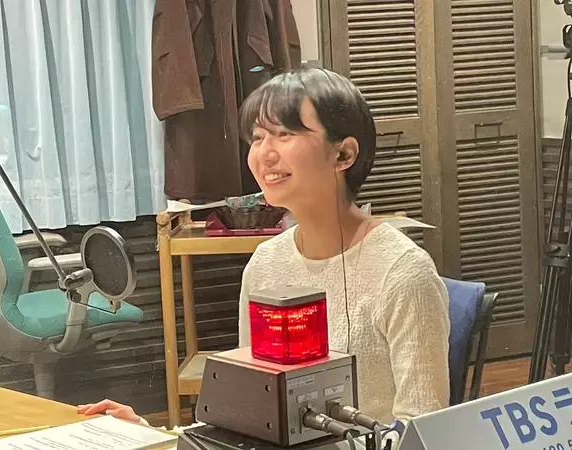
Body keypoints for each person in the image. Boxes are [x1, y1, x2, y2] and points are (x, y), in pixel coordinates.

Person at [78, 68, 450, 432]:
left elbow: (421, 430)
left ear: (343, 155)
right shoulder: (267, 263)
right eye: (257, 137)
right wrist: (150, 433)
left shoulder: (402, 272)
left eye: (285, 134)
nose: (264, 154)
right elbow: (252, 408)